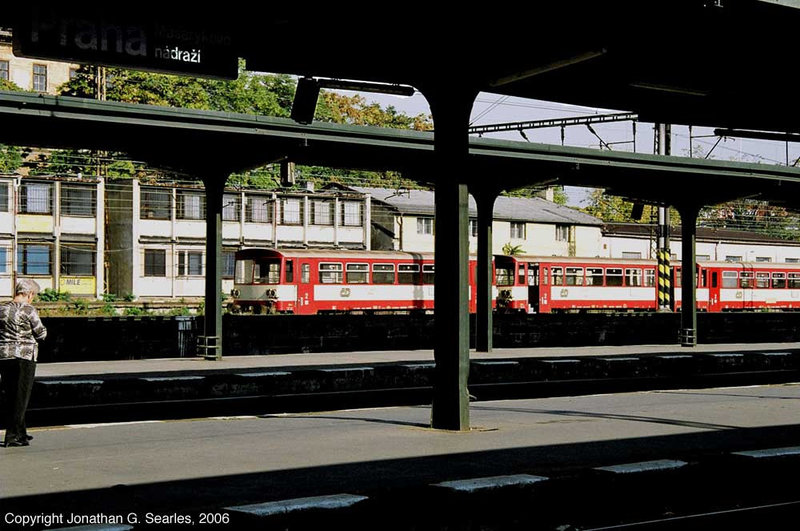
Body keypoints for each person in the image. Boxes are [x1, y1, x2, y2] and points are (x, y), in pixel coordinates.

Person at [0, 279, 47, 447]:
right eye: (33, 295)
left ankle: (21, 433)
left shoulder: (2, 308)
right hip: (25, 357)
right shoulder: (29, 310)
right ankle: (12, 436)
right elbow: (41, 333)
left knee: (11, 394)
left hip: (4, 356)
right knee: (22, 396)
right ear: (29, 294)